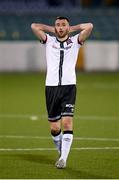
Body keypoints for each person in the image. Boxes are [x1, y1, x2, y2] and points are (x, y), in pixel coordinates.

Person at [31, 16, 93, 169]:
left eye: (63, 25)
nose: (60, 27)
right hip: (51, 87)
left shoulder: (75, 41)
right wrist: (53, 30)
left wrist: (71, 29)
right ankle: (60, 150)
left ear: (68, 27)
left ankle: (63, 159)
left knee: (67, 122)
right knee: (54, 127)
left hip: (68, 87)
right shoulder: (49, 41)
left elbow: (89, 26)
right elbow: (34, 26)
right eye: (57, 25)